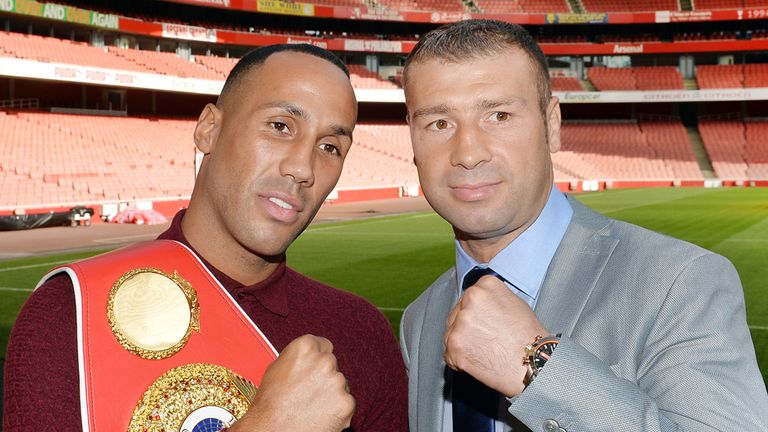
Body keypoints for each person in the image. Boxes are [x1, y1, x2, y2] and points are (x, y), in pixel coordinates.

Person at [3, 44, 408, 431]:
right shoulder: (69, 315)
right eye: (280, 126)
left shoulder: (362, 334)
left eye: (331, 147)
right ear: (208, 129)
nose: (303, 167)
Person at [399, 19, 768, 432]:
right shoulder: (419, 320)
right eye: (438, 123)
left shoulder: (680, 283)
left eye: (498, 115)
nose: (467, 153)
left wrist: (537, 368)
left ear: (552, 125)